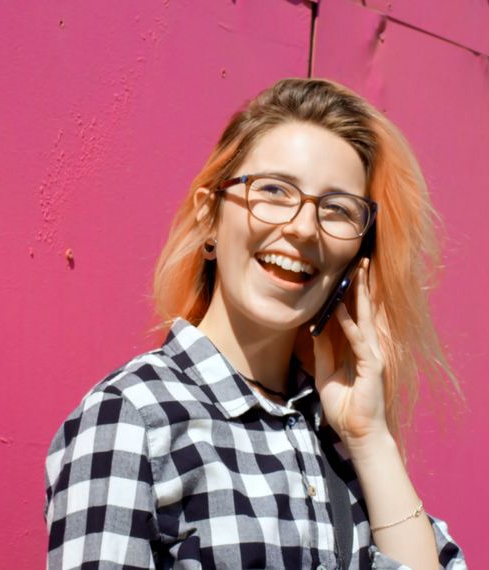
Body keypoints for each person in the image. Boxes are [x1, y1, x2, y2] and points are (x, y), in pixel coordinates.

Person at [45, 77, 466, 569]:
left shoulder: (337, 434)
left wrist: (370, 438)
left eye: (336, 209)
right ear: (209, 217)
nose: (304, 227)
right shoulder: (132, 418)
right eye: (273, 190)